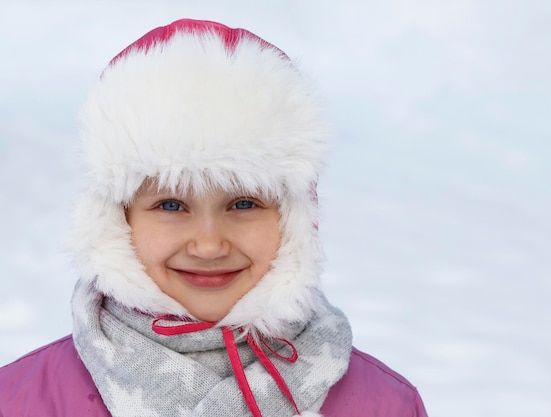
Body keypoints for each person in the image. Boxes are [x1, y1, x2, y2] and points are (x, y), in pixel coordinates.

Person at [0, 19, 428, 417]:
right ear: (116, 219)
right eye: (170, 205)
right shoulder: (21, 400)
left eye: (244, 204)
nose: (208, 245)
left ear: (296, 219)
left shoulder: (384, 404)